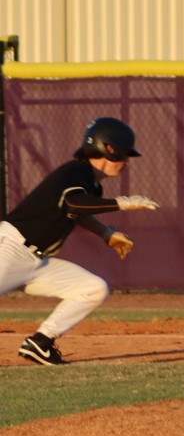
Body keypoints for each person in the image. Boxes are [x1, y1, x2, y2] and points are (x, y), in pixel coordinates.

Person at [2, 116, 159, 365]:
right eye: (125, 154)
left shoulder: (92, 186)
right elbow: (73, 203)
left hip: (35, 261)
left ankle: (41, 343)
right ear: (110, 149)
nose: (127, 162)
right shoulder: (77, 170)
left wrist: (106, 233)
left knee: (93, 289)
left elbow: (77, 211)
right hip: (10, 249)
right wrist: (123, 203)